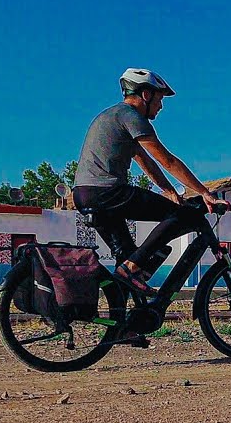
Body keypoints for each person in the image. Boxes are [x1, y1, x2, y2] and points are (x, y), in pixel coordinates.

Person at [71, 68, 221, 296]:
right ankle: (131, 269)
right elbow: (167, 161)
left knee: (127, 256)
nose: (161, 106)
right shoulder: (131, 116)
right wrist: (204, 192)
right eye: (159, 99)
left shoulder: (113, 116)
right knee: (180, 215)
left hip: (84, 194)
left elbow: (145, 161)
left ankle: (124, 326)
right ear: (146, 95)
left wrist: (169, 190)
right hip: (106, 191)